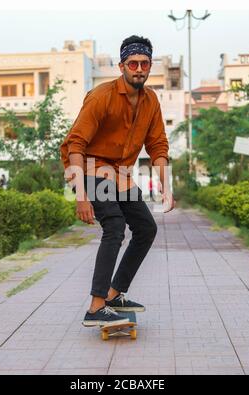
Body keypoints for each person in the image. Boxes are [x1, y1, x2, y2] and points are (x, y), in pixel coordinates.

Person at [60, 35, 175, 327]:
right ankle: (96, 306)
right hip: (87, 166)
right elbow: (75, 145)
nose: (139, 68)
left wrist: (166, 186)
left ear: (150, 66)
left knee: (146, 228)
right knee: (113, 225)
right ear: (121, 66)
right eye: (133, 63)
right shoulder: (102, 96)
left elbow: (158, 146)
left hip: (119, 173)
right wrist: (81, 196)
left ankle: (113, 294)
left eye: (144, 63)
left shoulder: (151, 101)